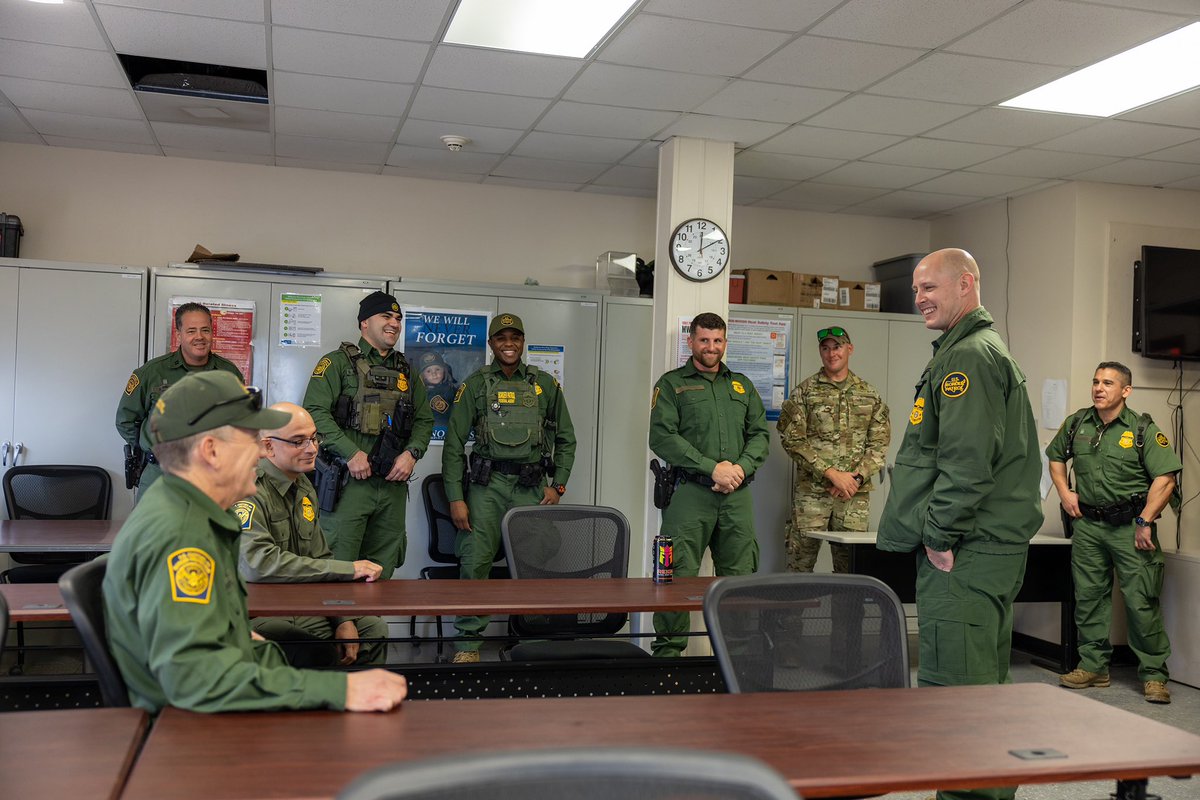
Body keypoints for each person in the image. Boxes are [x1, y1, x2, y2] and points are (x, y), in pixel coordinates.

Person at [103, 371, 408, 714]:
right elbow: (193, 679)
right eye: (249, 438)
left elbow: (214, 637)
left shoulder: (187, 509)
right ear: (211, 450)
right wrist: (338, 689)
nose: (259, 452)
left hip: (208, 706)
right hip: (187, 729)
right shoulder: (182, 537)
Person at [877, 248, 1042, 800]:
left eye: (931, 287)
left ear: (966, 284)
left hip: (965, 552)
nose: (919, 297)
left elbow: (967, 464)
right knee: (983, 689)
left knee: (956, 691)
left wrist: (940, 537)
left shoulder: (968, 358)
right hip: (985, 549)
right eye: (916, 288)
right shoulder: (971, 350)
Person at [442, 313, 576, 663]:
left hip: (530, 486)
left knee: (538, 560)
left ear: (523, 341)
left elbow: (566, 439)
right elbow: (454, 447)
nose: (509, 344)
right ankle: (468, 646)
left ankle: (531, 636)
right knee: (475, 561)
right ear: (491, 344)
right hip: (487, 487)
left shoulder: (544, 385)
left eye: (515, 337)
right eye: (502, 338)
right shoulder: (474, 386)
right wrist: (456, 498)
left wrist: (558, 486)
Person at [1047, 362, 1181, 704]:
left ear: (1126, 391)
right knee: (1089, 599)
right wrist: (1064, 493)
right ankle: (1093, 667)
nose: (1098, 388)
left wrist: (1145, 521)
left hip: (1131, 527)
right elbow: (1055, 457)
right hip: (1089, 526)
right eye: (1095, 381)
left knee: (1141, 602)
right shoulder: (1077, 422)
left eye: (1108, 383)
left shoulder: (1142, 429)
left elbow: (1166, 479)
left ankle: (1153, 675)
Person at [649, 312, 770, 657]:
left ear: (725, 343)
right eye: (704, 340)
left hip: (737, 494)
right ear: (691, 342)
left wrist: (738, 470)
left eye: (717, 341)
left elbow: (760, 436)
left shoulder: (742, 386)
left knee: (740, 576)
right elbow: (661, 437)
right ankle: (669, 656)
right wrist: (711, 468)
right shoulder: (672, 384)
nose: (711, 347)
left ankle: (739, 657)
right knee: (675, 575)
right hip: (690, 493)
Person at [237, 402, 390, 668]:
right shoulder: (248, 491)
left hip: (304, 605)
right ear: (267, 446)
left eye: (313, 438)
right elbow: (258, 565)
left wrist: (342, 619)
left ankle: (354, 703)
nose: (312, 449)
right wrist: (348, 569)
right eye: (298, 441)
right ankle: (321, 702)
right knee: (313, 647)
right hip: (257, 612)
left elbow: (320, 557)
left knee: (372, 630)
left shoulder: (304, 486)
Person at [303, 291, 432, 580]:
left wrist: (412, 454)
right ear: (364, 323)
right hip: (349, 486)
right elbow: (314, 413)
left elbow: (425, 419)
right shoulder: (337, 364)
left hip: (392, 487)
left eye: (398, 319)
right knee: (339, 566)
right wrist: (350, 453)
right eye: (386, 317)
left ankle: (371, 627)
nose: (394, 324)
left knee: (382, 570)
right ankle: (339, 626)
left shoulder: (407, 371)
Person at [778, 325, 890, 573]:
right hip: (812, 495)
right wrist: (831, 474)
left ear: (849, 349)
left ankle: (847, 614)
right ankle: (791, 613)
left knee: (852, 570)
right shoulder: (804, 393)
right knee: (799, 567)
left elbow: (879, 444)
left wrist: (855, 479)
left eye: (837, 347)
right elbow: (792, 439)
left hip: (853, 497)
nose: (831, 353)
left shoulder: (869, 395)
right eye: (825, 348)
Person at [115, 302, 244, 496]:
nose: (199, 337)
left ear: (212, 332)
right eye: (191, 331)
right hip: (161, 476)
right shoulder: (152, 373)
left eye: (205, 330)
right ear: (179, 334)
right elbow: (125, 420)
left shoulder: (229, 372)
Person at [417, 350, 457, 434]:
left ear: (444, 370)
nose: (434, 374)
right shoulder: (421, 393)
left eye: (437, 369)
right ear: (423, 376)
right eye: (428, 371)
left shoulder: (451, 390)